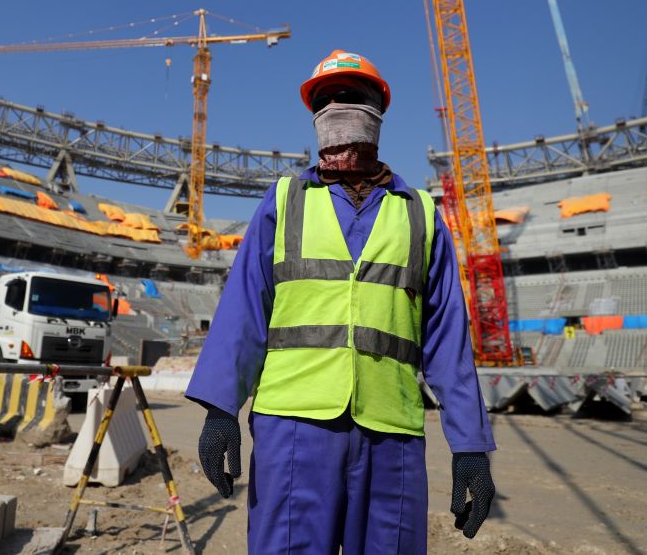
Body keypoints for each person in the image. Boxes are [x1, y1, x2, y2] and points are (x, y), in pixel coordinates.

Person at [185, 51, 496, 553]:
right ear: (314, 115)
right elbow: (244, 309)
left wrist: (471, 448)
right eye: (327, 100)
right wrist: (220, 409)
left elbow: (447, 342)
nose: (340, 107)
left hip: (390, 433)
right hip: (292, 426)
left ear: (379, 111)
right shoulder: (284, 201)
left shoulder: (420, 214)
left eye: (354, 97)